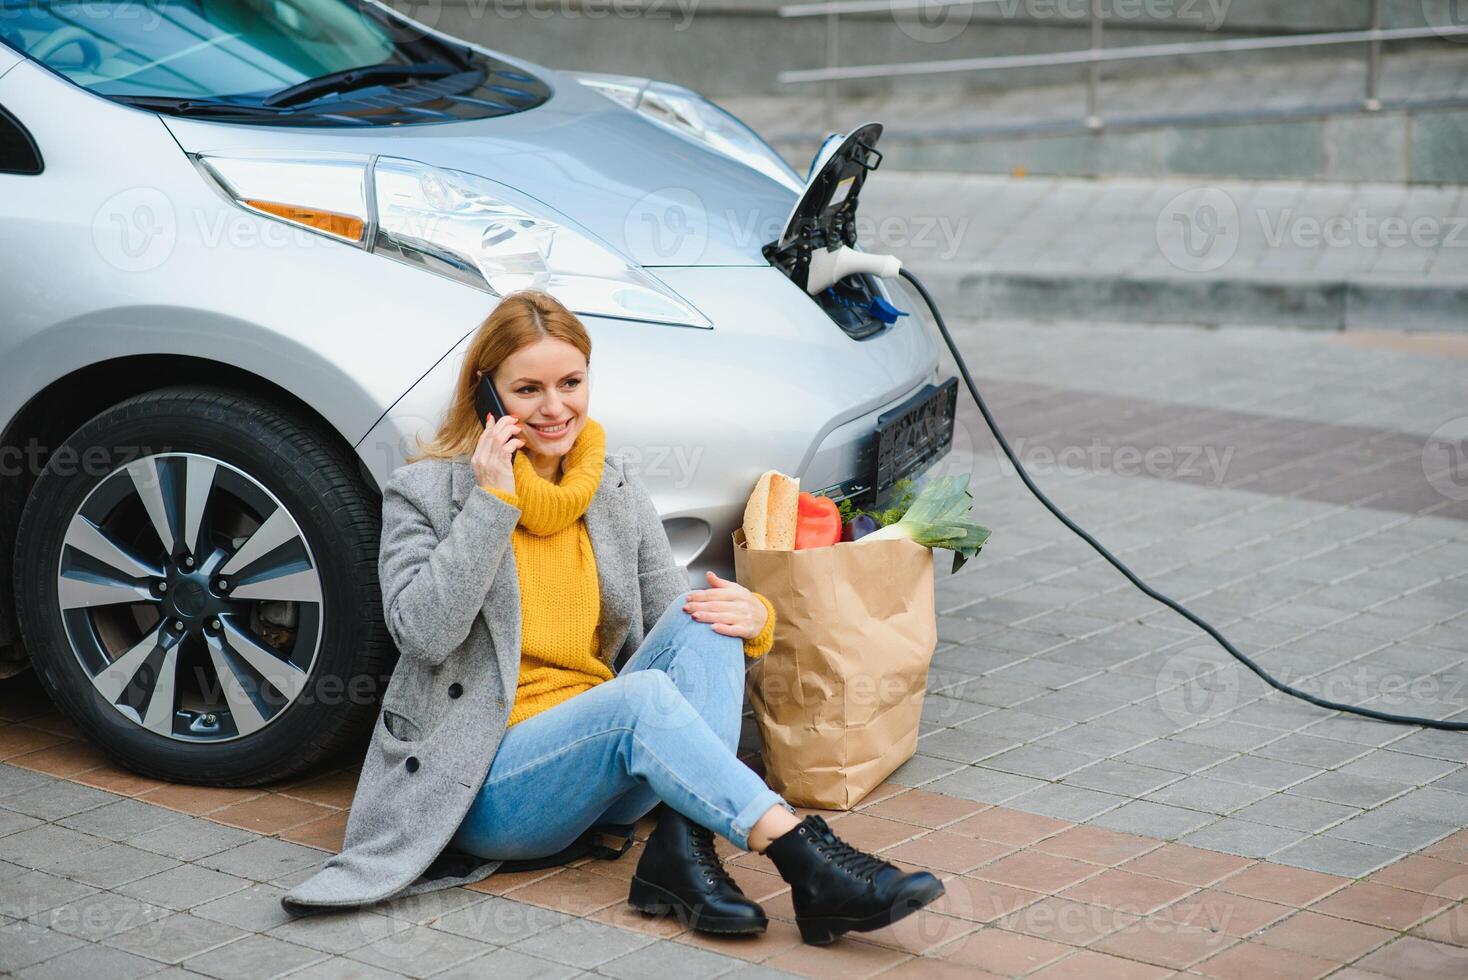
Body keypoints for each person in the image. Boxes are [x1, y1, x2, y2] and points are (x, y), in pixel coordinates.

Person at [282, 290, 943, 945]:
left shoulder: (612, 484)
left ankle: (683, 853)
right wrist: (490, 504)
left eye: (570, 382)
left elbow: (672, 622)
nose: (555, 407)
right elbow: (423, 634)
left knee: (704, 615)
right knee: (642, 700)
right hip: (487, 784)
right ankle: (809, 862)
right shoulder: (426, 492)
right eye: (527, 389)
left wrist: (756, 614)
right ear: (485, 394)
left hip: (603, 765)